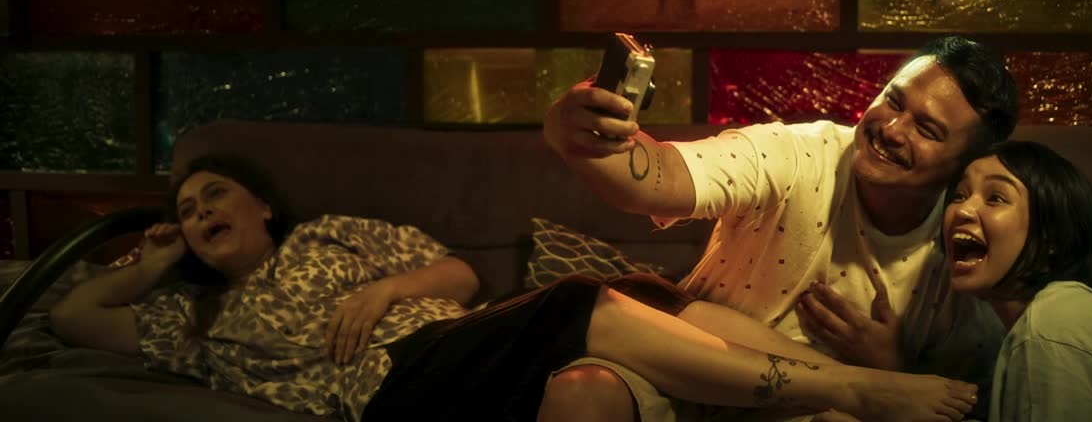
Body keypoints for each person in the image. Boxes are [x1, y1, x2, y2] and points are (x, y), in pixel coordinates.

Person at [48, 155, 979, 422]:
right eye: (187, 210)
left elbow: (459, 274)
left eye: (215, 194)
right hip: (392, 393)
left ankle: (850, 390)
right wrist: (157, 262)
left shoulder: (333, 235)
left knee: (639, 286)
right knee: (578, 301)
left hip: (459, 340)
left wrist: (384, 290)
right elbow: (70, 315)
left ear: (261, 202)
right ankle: (854, 388)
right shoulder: (200, 322)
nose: (202, 211)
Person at [541, 36, 1020, 421]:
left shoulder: (963, 244)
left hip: (815, 410)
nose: (892, 129)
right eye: (893, 100)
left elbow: (969, 397)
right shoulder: (796, 154)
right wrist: (578, 127)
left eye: (927, 130)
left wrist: (893, 364)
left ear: (964, 166)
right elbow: (657, 179)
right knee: (583, 392)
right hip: (685, 369)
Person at [942, 141, 1092, 421]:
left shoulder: (1051, 327)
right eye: (959, 195)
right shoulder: (1051, 315)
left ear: (1052, 237)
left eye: (995, 198)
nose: (962, 211)